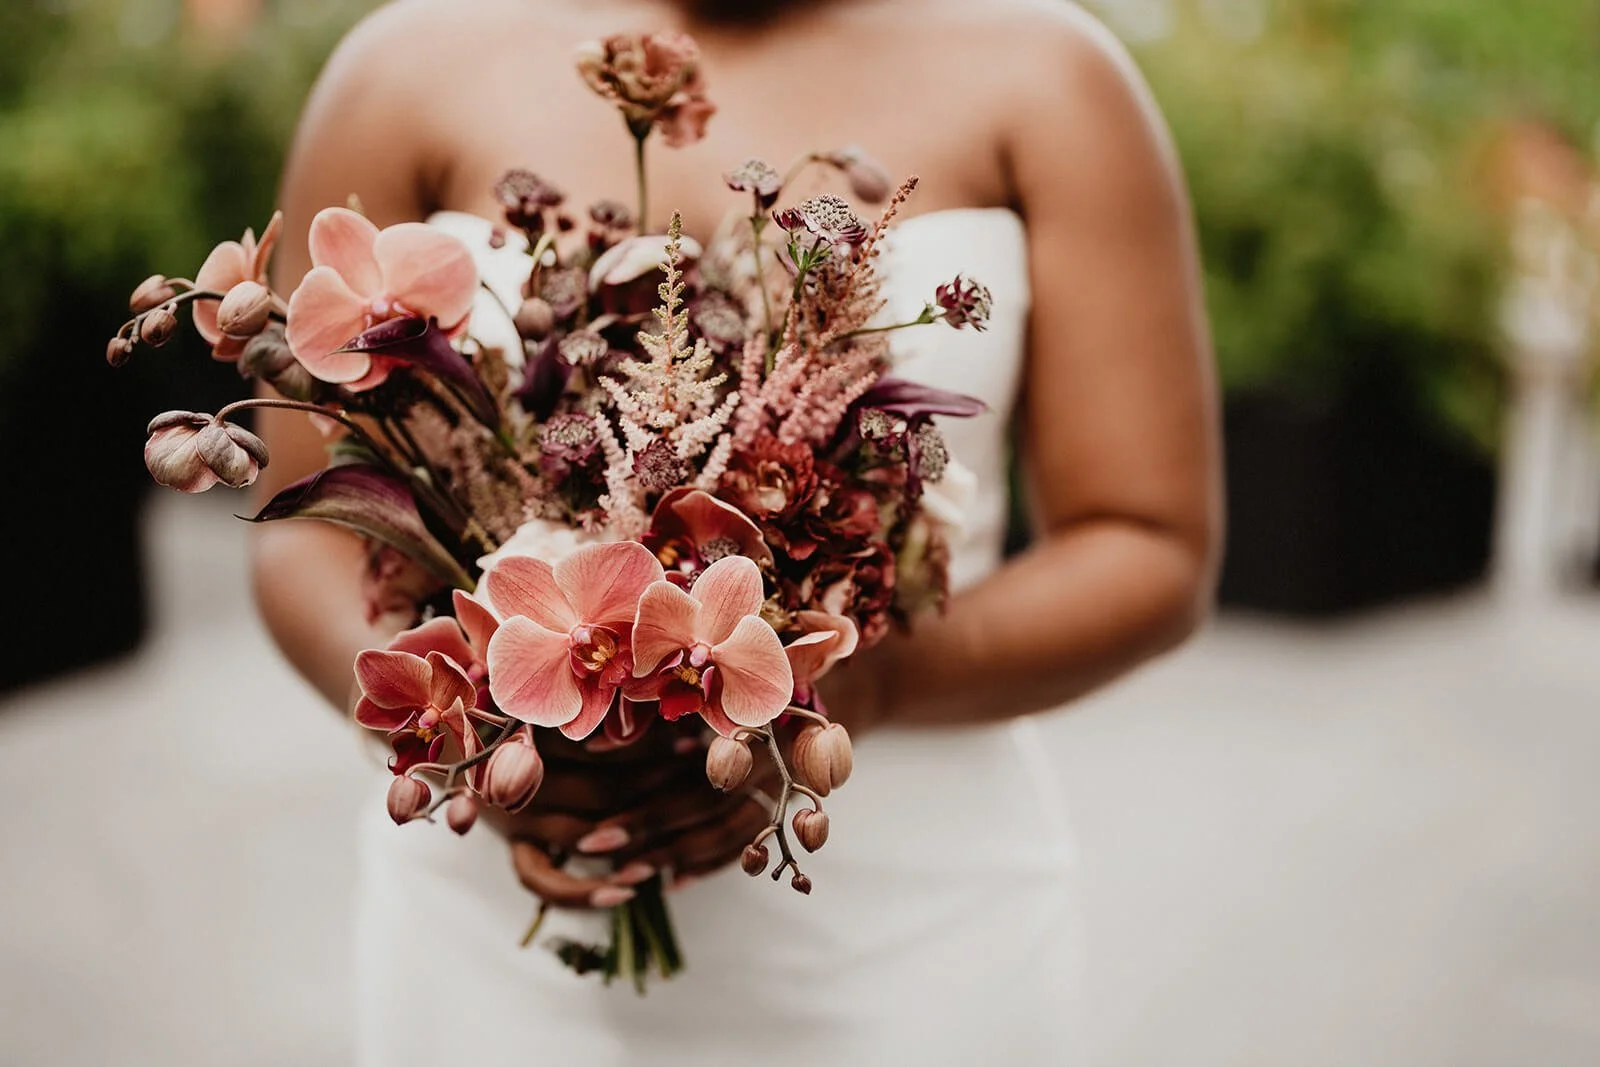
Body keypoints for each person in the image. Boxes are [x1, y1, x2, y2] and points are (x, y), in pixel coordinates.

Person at [252, 0, 1221, 1062]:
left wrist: (837, 689)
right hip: (490, 940)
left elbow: (1148, 541)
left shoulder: (1053, 72)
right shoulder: (402, 64)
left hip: (909, 930)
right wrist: (467, 724)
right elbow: (303, 525)